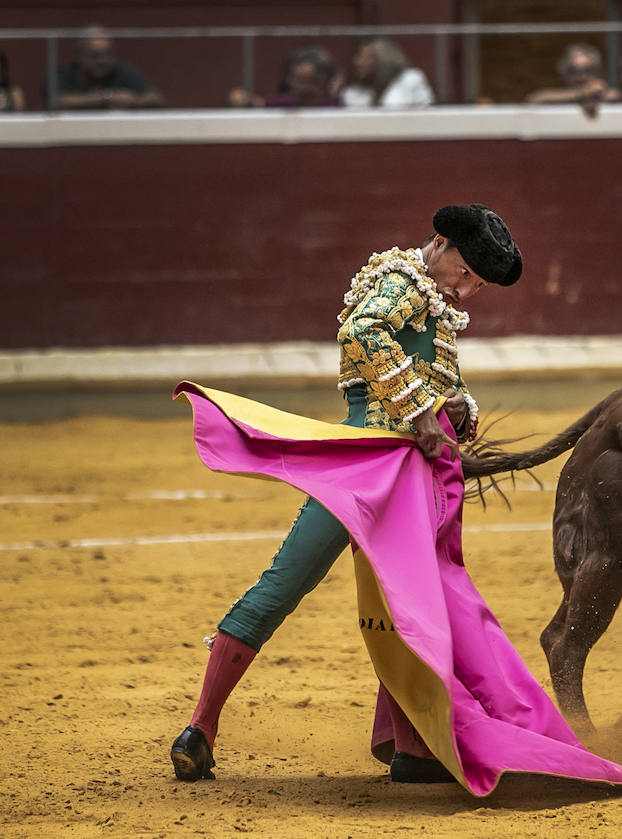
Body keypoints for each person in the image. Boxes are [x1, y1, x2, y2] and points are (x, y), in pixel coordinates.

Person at [170, 204, 522, 785]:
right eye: (465, 275)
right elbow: (361, 333)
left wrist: (460, 409)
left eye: (477, 286)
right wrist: (420, 413)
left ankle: (411, 748)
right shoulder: (402, 282)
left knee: (396, 600)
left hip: (401, 474)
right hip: (369, 465)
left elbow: (442, 385)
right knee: (303, 585)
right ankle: (200, 727)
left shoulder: (424, 296)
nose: (466, 292)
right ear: (439, 242)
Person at [45, 24, 163, 110]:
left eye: (107, 55)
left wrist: (134, 101)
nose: (102, 61)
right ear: (79, 56)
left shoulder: (123, 71)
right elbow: (55, 101)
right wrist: (105, 98)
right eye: (94, 56)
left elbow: (155, 99)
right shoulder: (64, 74)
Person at [525, 42, 619, 116]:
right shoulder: (553, 98)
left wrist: (599, 96)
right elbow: (535, 99)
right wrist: (582, 93)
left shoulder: (603, 95)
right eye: (574, 71)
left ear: (597, 73)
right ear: (564, 74)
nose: (581, 77)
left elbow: (615, 97)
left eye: (588, 70)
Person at [228, 45, 339, 108]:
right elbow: (258, 103)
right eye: (292, 78)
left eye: (302, 81)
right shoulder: (288, 102)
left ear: (320, 83)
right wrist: (244, 99)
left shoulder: (332, 107)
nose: (293, 84)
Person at [341, 37, 434, 108]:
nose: (357, 62)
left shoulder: (411, 79)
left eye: (364, 57)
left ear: (381, 59)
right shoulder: (353, 93)